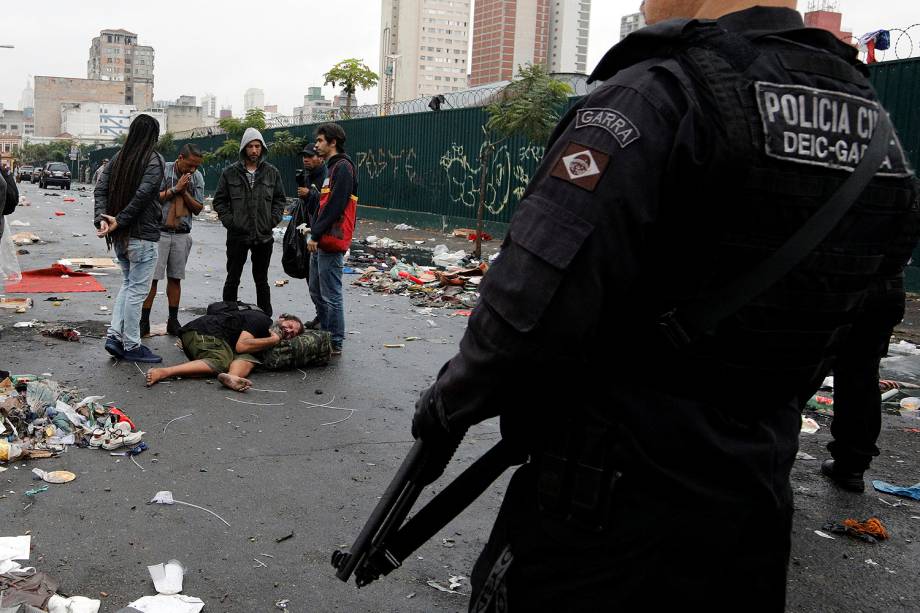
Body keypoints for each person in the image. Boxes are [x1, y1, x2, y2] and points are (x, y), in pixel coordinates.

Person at [408, 1, 920, 610]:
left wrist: (447, 406)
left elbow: (528, 305)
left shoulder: (656, 95)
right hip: (751, 513)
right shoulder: (876, 131)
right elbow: (865, 317)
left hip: (604, 512)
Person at [822, 277, 906, 492]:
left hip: (835, 284)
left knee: (798, 368)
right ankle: (851, 466)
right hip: (884, 291)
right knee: (861, 376)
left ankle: (768, 456)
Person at [95, 114, 166, 364]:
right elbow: (144, 195)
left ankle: (115, 336)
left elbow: (101, 189)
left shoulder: (119, 157)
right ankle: (132, 344)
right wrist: (118, 220)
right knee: (136, 291)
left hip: (120, 238)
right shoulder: (154, 159)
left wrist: (104, 219)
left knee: (128, 285)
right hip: (141, 236)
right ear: (153, 136)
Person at [144, 302, 303, 391]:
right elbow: (242, 346)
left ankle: (232, 377)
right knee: (221, 360)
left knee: (249, 358)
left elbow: (243, 352)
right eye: (289, 325)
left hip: (211, 340)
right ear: (281, 318)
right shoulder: (263, 320)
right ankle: (164, 372)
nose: (288, 331)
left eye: (292, 334)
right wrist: (274, 340)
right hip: (202, 333)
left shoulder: (263, 336)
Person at [213, 128, 285, 316]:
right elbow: (219, 201)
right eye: (250, 146)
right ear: (244, 148)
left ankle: (265, 318)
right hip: (237, 236)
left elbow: (279, 200)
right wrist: (231, 222)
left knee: (261, 280)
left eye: (257, 146)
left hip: (263, 236)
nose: (254, 150)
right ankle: (227, 316)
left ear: (262, 148)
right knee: (233, 278)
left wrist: (271, 221)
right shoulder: (230, 173)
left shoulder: (272, 172)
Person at [140, 144, 206, 337]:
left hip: (181, 233)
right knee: (152, 279)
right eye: (190, 164)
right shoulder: (163, 170)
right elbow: (152, 199)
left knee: (175, 278)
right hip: (159, 232)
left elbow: (198, 208)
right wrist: (175, 189)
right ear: (180, 158)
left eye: (196, 166)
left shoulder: (197, 177)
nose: (192, 169)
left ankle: (173, 320)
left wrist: (184, 192)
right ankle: (144, 321)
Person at [307, 123, 357, 354]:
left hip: (330, 239)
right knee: (317, 290)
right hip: (322, 238)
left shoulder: (343, 167)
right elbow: (324, 204)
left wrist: (316, 233)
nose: (316, 145)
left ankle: (334, 341)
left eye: (320, 140)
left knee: (331, 295)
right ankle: (325, 335)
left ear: (333, 142)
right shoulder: (332, 167)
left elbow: (336, 205)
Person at [297, 144, 328, 329]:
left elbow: (327, 205)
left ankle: (329, 323)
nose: (306, 159)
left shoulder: (327, 176)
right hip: (311, 231)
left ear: (321, 158)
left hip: (322, 234)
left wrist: (310, 194)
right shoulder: (308, 176)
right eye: (304, 156)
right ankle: (321, 315)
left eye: (310, 156)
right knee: (313, 281)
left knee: (323, 283)